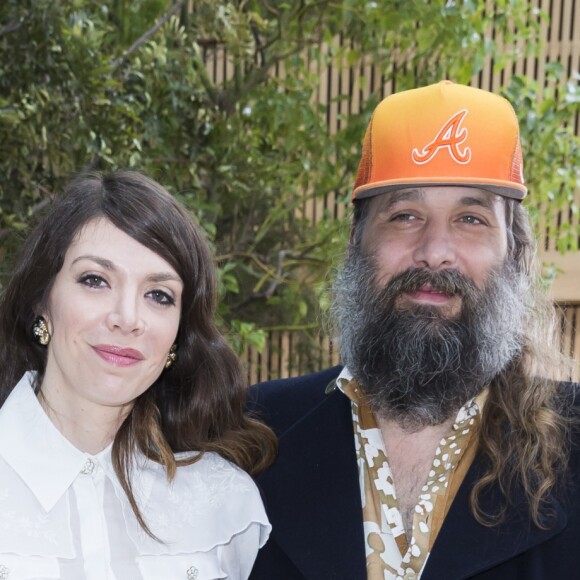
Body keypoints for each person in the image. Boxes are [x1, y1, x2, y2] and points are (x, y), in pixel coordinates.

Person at [248, 81, 580, 579]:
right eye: (405, 215)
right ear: (358, 240)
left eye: (470, 218)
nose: (434, 250)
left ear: (515, 252)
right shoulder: (252, 433)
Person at [0, 170, 277, 579]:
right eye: (95, 280)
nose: (127, 318)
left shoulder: (223, 504)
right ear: (43, 302)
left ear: (179, 334)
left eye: (158, 295)